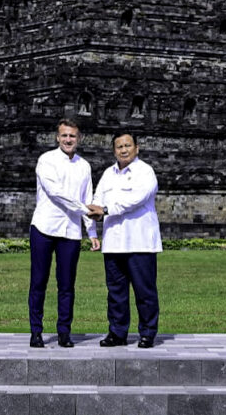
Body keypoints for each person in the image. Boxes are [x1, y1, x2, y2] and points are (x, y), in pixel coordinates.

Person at [28, 118, 100, 348]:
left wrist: (92, 232)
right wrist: (84, 210)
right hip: (44, 227)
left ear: (79, 139)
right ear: (57, 138)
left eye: (72, 136)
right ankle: (36, 332)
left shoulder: (84, 166)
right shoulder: (46, 160)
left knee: (67, 284)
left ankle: (64, 332)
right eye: (64, 135)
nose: (68, 139)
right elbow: (55, 192)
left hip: (70, 231)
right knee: (39, 281)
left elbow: (88, 196)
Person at [88, 130, 162, 348]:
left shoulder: (145, 172)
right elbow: (96, 200)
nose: (123, 150)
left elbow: (136, 200)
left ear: (136, 148)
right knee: (116, 293)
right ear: (114, 150)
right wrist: (92, 226)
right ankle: (117, 332)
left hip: (139, 242)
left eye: (128, 145)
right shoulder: (108, 174)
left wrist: (107, 209)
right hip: (113, 242)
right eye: (119, 147)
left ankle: (147, 333)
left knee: (144, 291)